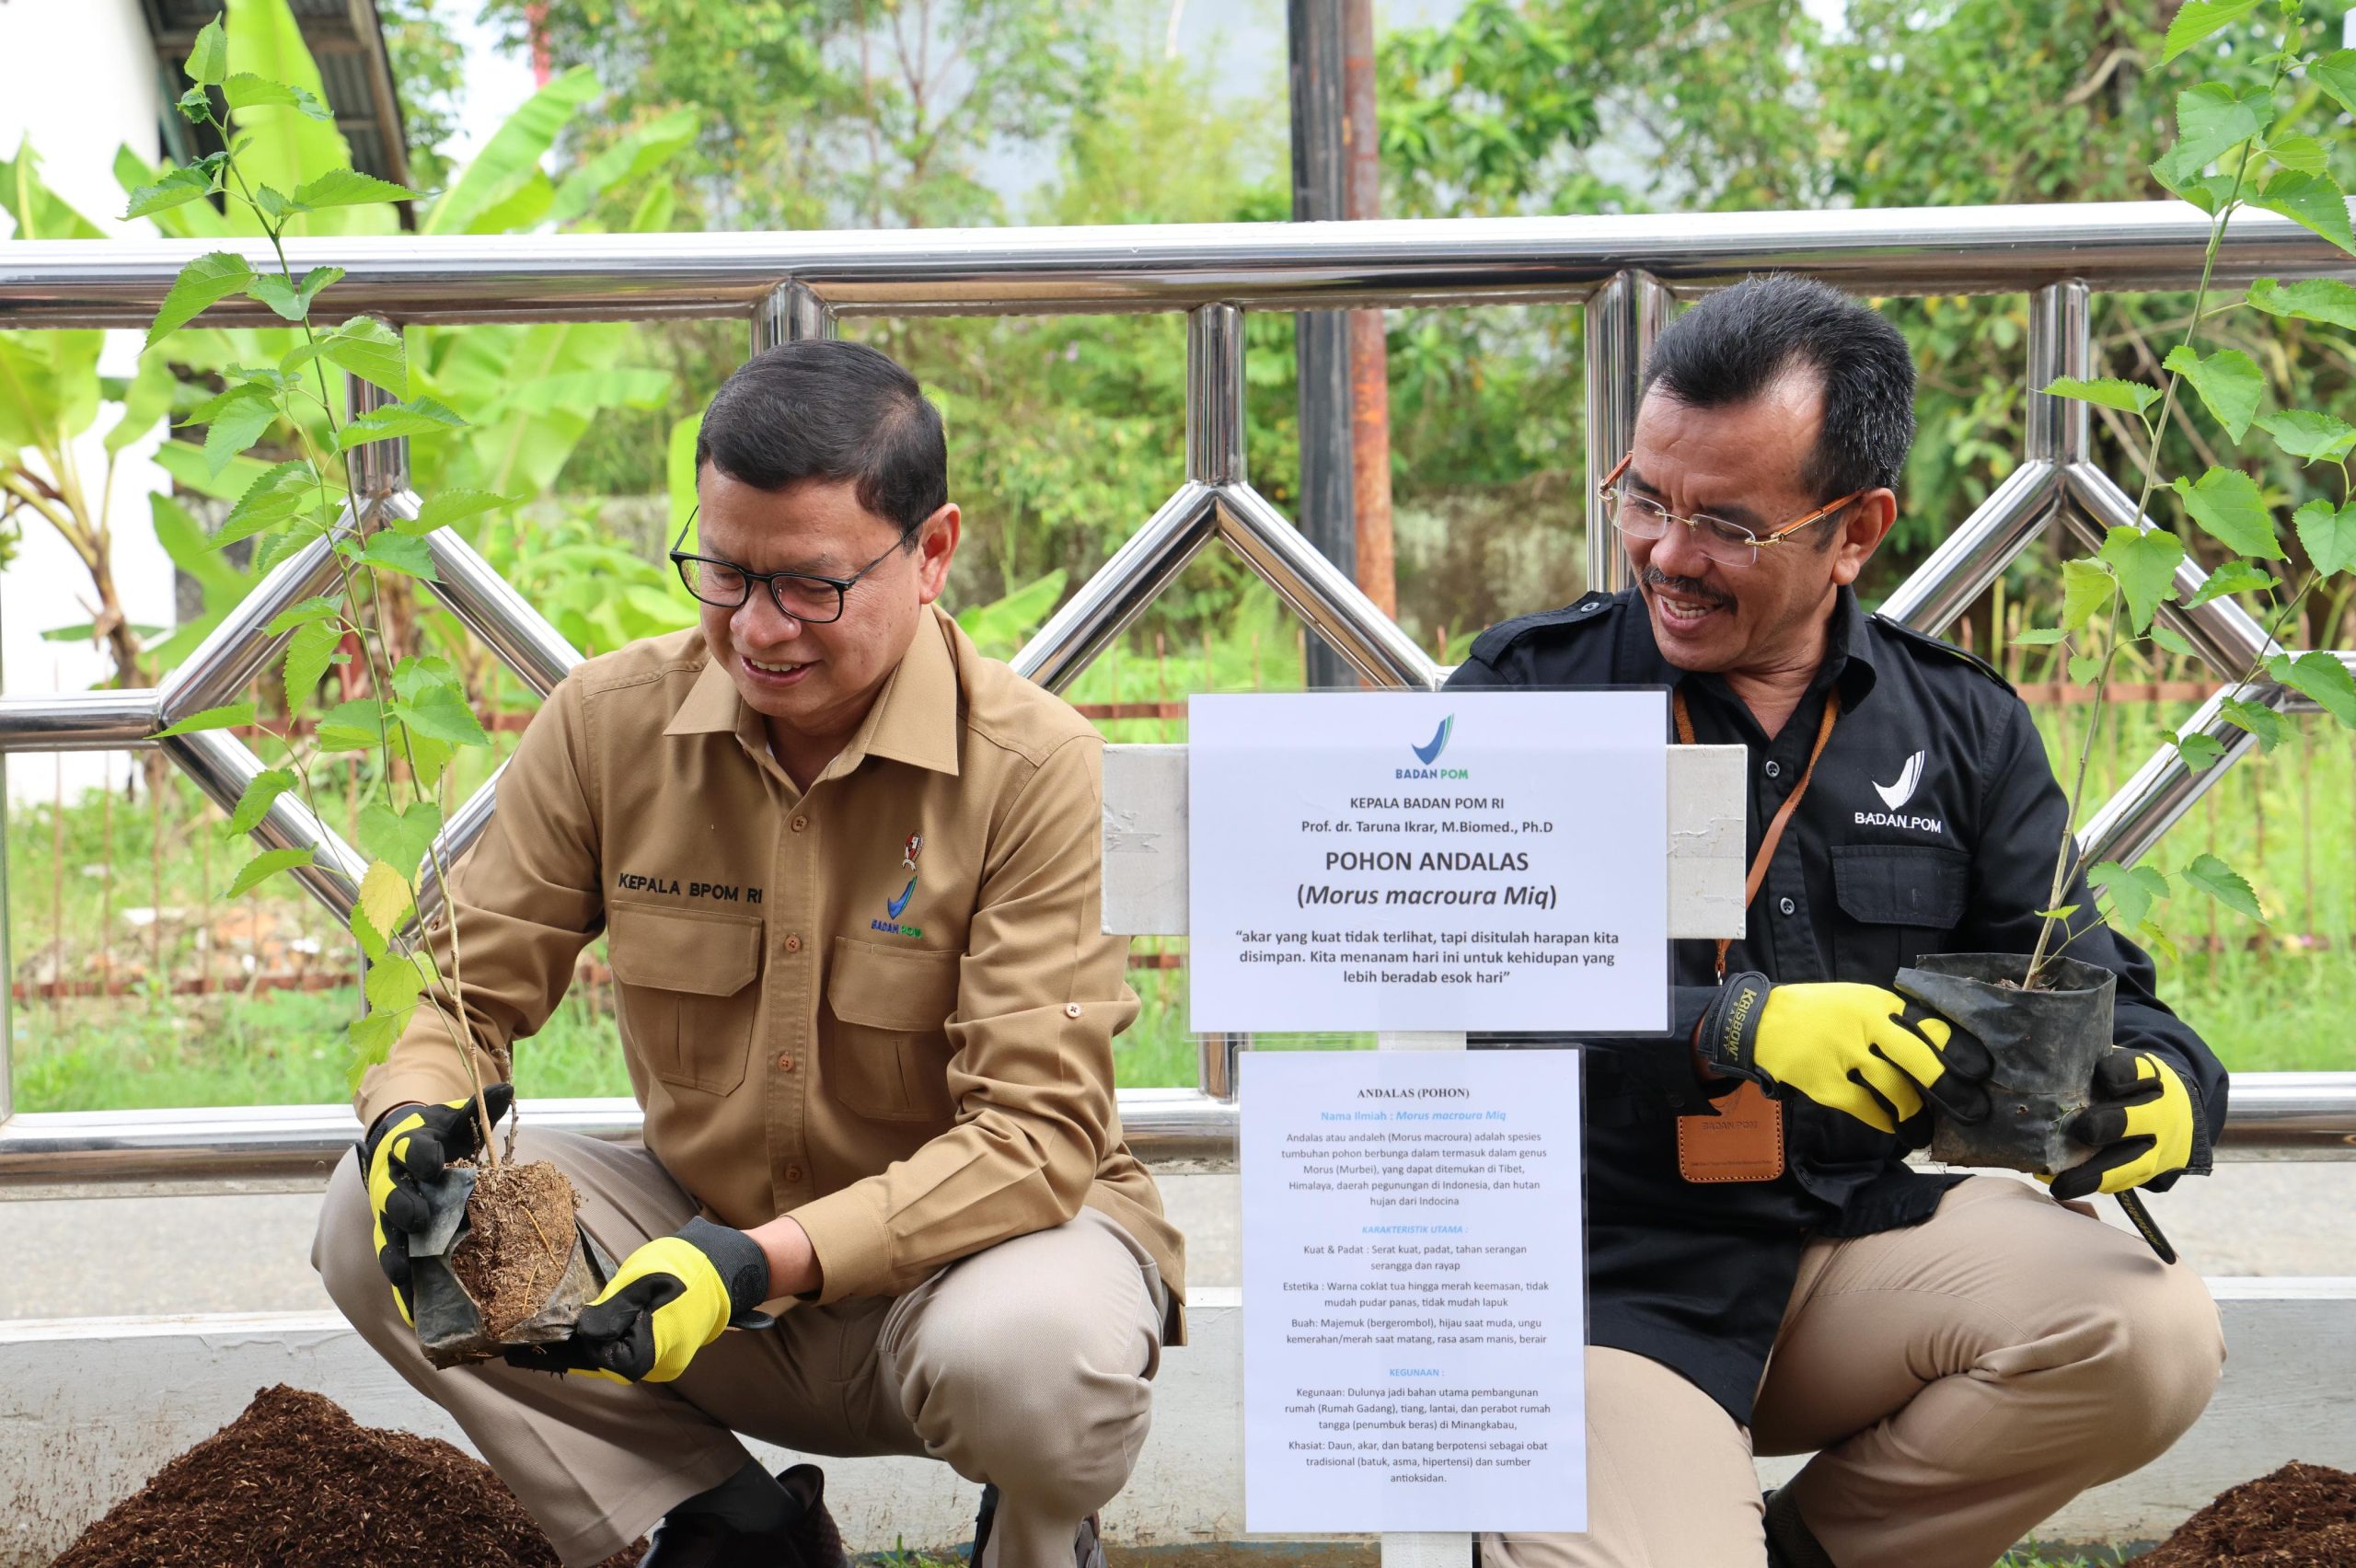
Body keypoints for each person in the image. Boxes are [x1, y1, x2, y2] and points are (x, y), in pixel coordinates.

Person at [313, 340, 1184, 1568]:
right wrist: (412, 1116)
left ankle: (1038, 1535)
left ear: (932, 553)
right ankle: (714, 1528)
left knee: (1037, 1359)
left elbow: (1034, 1143)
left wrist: (751, 1266)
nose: (757, 629)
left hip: (962, 1280)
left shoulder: (1039, 769)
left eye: (809, 587)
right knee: (371, 1222)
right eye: (722, 574)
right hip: (698, 1262)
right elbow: (465, 990)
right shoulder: (611, 723)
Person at [1449, 275, 2225, 1568]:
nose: (1666, 555)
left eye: (1728, 526)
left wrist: (2171, 1088)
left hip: (1853, 1248)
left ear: (1856, 528)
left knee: (2148, 1338)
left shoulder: (1963, 727)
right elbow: (1451, 998)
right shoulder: (1526, 698)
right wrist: (1730, 1025)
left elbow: (2095, 986)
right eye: (1645, 498)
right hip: (1597, 1286)